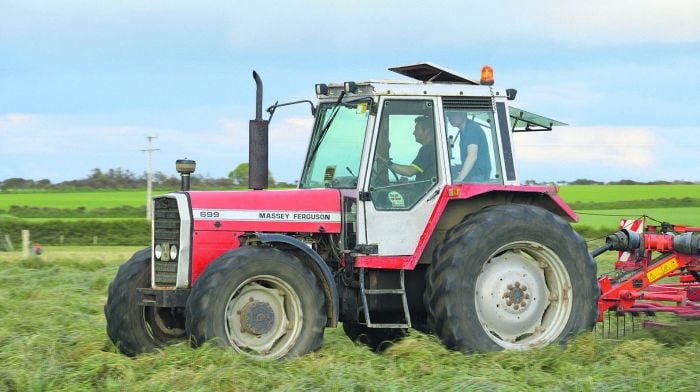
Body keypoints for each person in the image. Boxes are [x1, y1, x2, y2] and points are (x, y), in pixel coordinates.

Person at [385, 115, 436, 182]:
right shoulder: (432, 148)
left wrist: (386, 163)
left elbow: (409, 172)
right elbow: (425, 181)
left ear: (427, 131)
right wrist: (409, 185)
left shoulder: (427, 149)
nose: (413, 133)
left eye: (416, 129)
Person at [447, 111, 491, 182]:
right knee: (448, 171)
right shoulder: (464, 130)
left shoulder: (472, 129)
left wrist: (459, 179)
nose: (451, 118)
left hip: (478, 174)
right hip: (474, 171)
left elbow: (472, 156)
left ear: (463, 113)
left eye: (454, 114)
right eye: (449, 116)